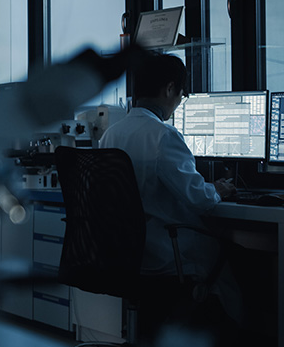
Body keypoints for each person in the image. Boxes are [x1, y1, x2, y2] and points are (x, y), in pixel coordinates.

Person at [98, 52, 240, 320]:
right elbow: (200, 200)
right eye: (181, 95)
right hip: (167, 254)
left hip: (126, 255)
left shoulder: (110, 134)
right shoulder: (163, 135)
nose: (178, 102)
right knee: (232, 275)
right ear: (170, 88)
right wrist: (218, 190)